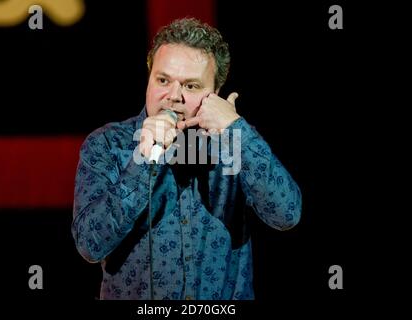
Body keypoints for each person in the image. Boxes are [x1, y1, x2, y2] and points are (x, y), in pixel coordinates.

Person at [72, 17, 302, 300]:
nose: (173, 96)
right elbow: (89, 245)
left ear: (214, 94)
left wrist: (236, 130)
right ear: (149, 77)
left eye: (191, 86)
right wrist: (142, 161)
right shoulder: (108, 144)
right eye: (163, 80)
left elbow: (286, 214)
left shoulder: (235, 144)